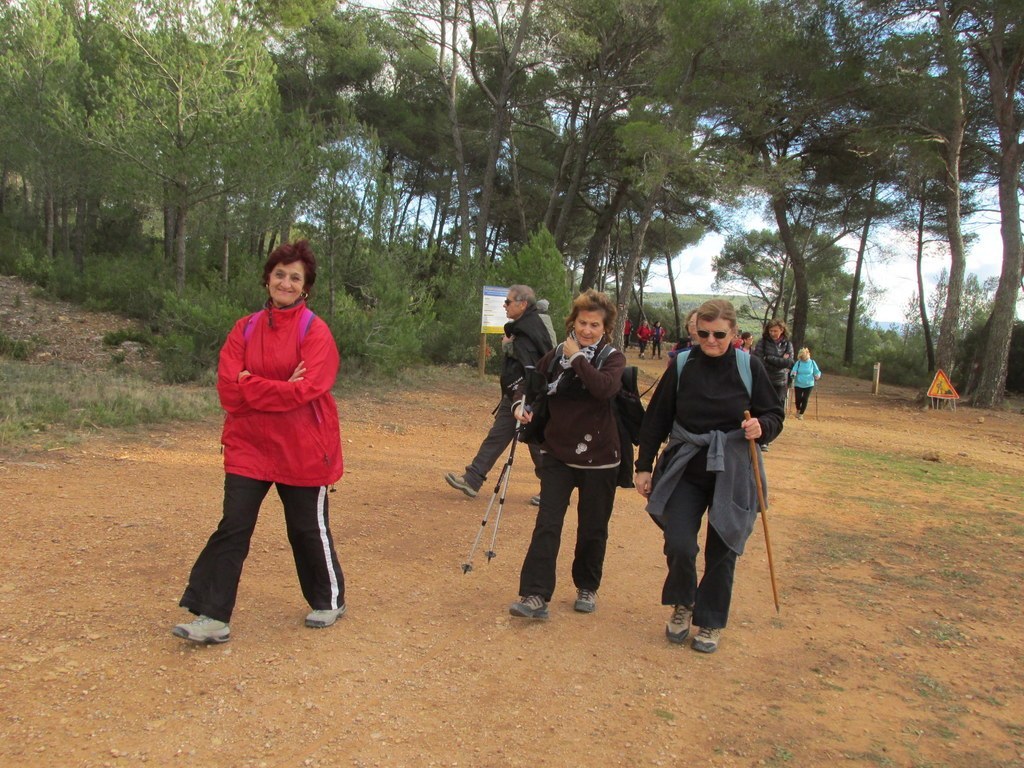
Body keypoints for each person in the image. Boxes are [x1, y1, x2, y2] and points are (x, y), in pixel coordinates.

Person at [173, 240, 347, 644]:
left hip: (303, 447)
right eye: (280, 274)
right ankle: (212, 616)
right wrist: (279, 387)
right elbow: (228, 393)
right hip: (249, 445)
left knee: (306, 528)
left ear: (306, 287)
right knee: (233, 526)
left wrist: (253, 384)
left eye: (295, 277)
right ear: (268, 278)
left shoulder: (315, 331)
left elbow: (311, 387)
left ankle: (329, 598)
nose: (285, 282)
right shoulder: (245, 328)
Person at [633, 299, 784, 653]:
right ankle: (683, 602)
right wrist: (642, 467)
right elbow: (656, 417)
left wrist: (761, 425)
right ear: (695, 330)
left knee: (724, 547)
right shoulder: (683, 364)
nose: (711, 340)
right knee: (680, 542)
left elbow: (774, 413)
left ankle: (711, 621)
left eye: (719, 334)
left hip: (733, 467)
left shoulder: (750, 366)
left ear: (733, 333)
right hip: (686, 466)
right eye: (703, 333)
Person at [507, 289, 627, 619]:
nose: (587, 330)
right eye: (582, 323)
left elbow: (603, 388)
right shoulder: (557, 352)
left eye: (595, 326)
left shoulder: (613, 358)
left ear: (606, 329)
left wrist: (577, 358)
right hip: (558, 452)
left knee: (592, 527)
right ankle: (535, 594)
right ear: (572, 322)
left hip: (601, 457)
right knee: (547, 523)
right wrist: (520, 403)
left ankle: (587, 584)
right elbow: (530, 382)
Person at [445, 285, 554, 504]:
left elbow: (533, 363)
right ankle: (472, 479)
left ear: (522, 304)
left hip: (529, 397)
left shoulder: (529, 329)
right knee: (498, 436)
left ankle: (551, 491)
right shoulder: (523, 327)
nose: (504, 305)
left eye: (508, 302)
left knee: (538, 444)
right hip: (515, 395)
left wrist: (508, 348)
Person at [752, 319, 794, 450]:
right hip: (764, 379)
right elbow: (759, 360)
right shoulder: (762, 343)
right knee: (762, 408)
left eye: (775, 330)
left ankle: (771, 435)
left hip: (780, 381)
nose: (773, 333)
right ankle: (762, 438)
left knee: (777, 409)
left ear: (782, 330)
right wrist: (780, 361)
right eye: (771, 330)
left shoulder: (788, 344)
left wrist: (770, 358)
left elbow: (789, 362)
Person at [791, 347, 822, 419]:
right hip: (798, 383)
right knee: (798, 399)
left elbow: (817, 371)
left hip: (809, 384)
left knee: (805, 398)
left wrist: (817, 376)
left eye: (803, 357)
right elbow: (794, 370)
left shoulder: (812, 362)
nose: (803, 359)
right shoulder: (798, 362)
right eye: (801, 357)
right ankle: (798, 409)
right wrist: (793, 374)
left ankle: (801, 414)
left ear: (808, 355)